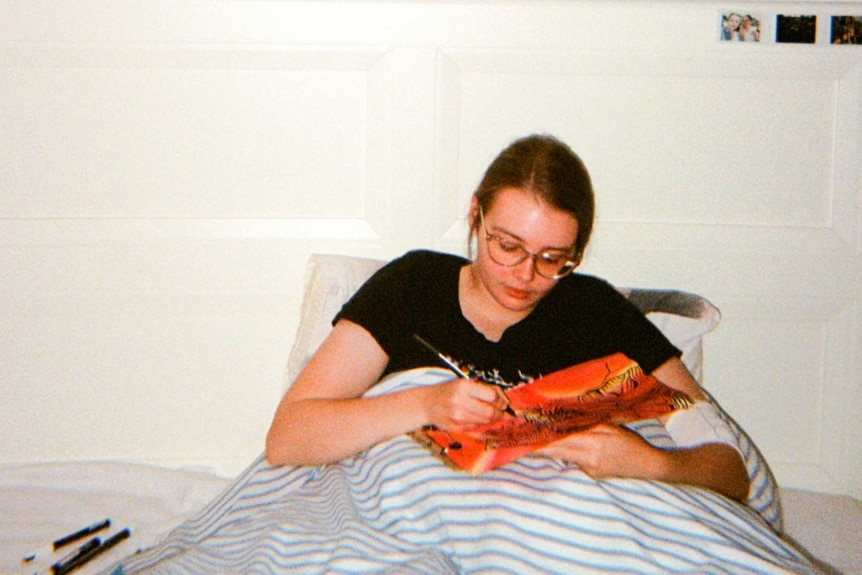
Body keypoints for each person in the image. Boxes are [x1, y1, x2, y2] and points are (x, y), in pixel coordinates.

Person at [266, 134, 750, 503]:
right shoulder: (412, 286)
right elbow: (289, 437)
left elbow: (729, 470)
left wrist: (650, 464)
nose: (525, 274)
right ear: (475, 217)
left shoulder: (598, 313)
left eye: (552, 258)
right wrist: (425, 404)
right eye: (508, 246)